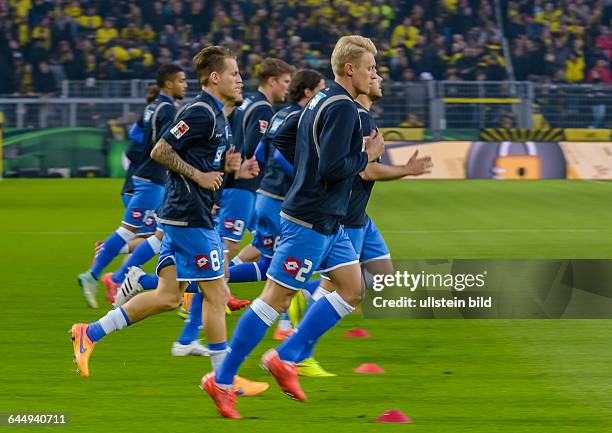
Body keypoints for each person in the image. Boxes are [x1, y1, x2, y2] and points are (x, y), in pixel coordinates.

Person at [203, 35, 384, 418]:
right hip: (310, 220)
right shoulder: (344, 109)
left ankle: (284, 358)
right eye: (370, 67)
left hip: (327, 219)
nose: (375, 74)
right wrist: (367, 155)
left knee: (354, 288)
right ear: (350, 69)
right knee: (275, 299)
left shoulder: (322, 99)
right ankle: (221, 380)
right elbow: (337, 168)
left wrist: (304, 167)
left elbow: (281, 134)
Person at [70, 46, 266, 396]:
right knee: (217, 294)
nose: (241, 80)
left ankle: (90, 333)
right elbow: (160, 150)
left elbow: (206, 167)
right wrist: (201, 176)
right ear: (215, 77)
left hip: (186, 216)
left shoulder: (219, 118)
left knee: (167, 297)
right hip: (189, 217)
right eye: (235, 73)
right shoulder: (201, 111)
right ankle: (223, 380)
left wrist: (229, 169)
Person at [299, 74, 433, 374]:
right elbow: (366, 171)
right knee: (342, 286)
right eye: (372, 72)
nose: (380, 77)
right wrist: (406, 170)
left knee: (382, 275)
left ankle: (306, 294)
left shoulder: (361, 116)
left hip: (361, 215)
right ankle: (300, 352)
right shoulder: (357, 116)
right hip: (346, 216)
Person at [77, 64, 187, 309]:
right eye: (181, 80)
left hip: (148, 176)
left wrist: (147, 148)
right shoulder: (168, 110)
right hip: (153, 179)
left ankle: (117, 277)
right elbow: (167, 145)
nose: (185, 84)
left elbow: (135, 133)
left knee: (159, 235)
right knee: (132, 231)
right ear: (168, 84)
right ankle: (97, 275)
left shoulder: (151, 107)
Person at [218, 58, 295, 260]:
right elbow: (255, 148)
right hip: (242, 185)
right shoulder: (263, 109)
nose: (288, 88)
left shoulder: (247, 102)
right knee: (229, 243)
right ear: (272, 81)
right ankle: (198, 289)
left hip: (235, 182)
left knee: (263, 243)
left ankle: (225, 279)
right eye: (286, 81)